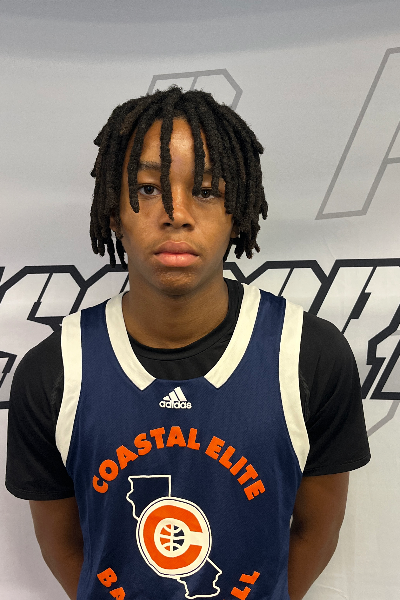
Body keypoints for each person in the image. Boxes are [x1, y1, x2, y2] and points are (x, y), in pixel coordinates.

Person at [6, 87, 370, 600]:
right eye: (148, 188)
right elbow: (63, 546)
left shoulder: (310, 355)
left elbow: (315, 532)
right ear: (113, 211)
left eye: (204, 191)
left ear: (237, 211)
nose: (176, 213)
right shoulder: (53, 372)